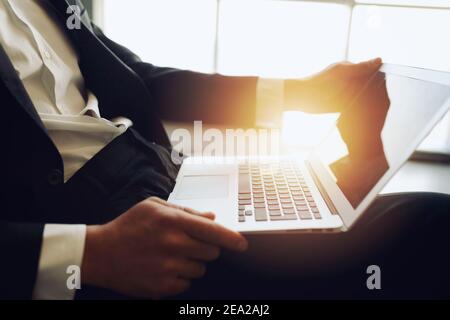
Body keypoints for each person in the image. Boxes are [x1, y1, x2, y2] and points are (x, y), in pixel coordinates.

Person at [1, 0, 449, 300]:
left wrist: (302, 93)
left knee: (351, 209)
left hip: (165, 180)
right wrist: (86, 254)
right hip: (103, 234)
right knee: (430, 225)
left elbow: (139, 78)